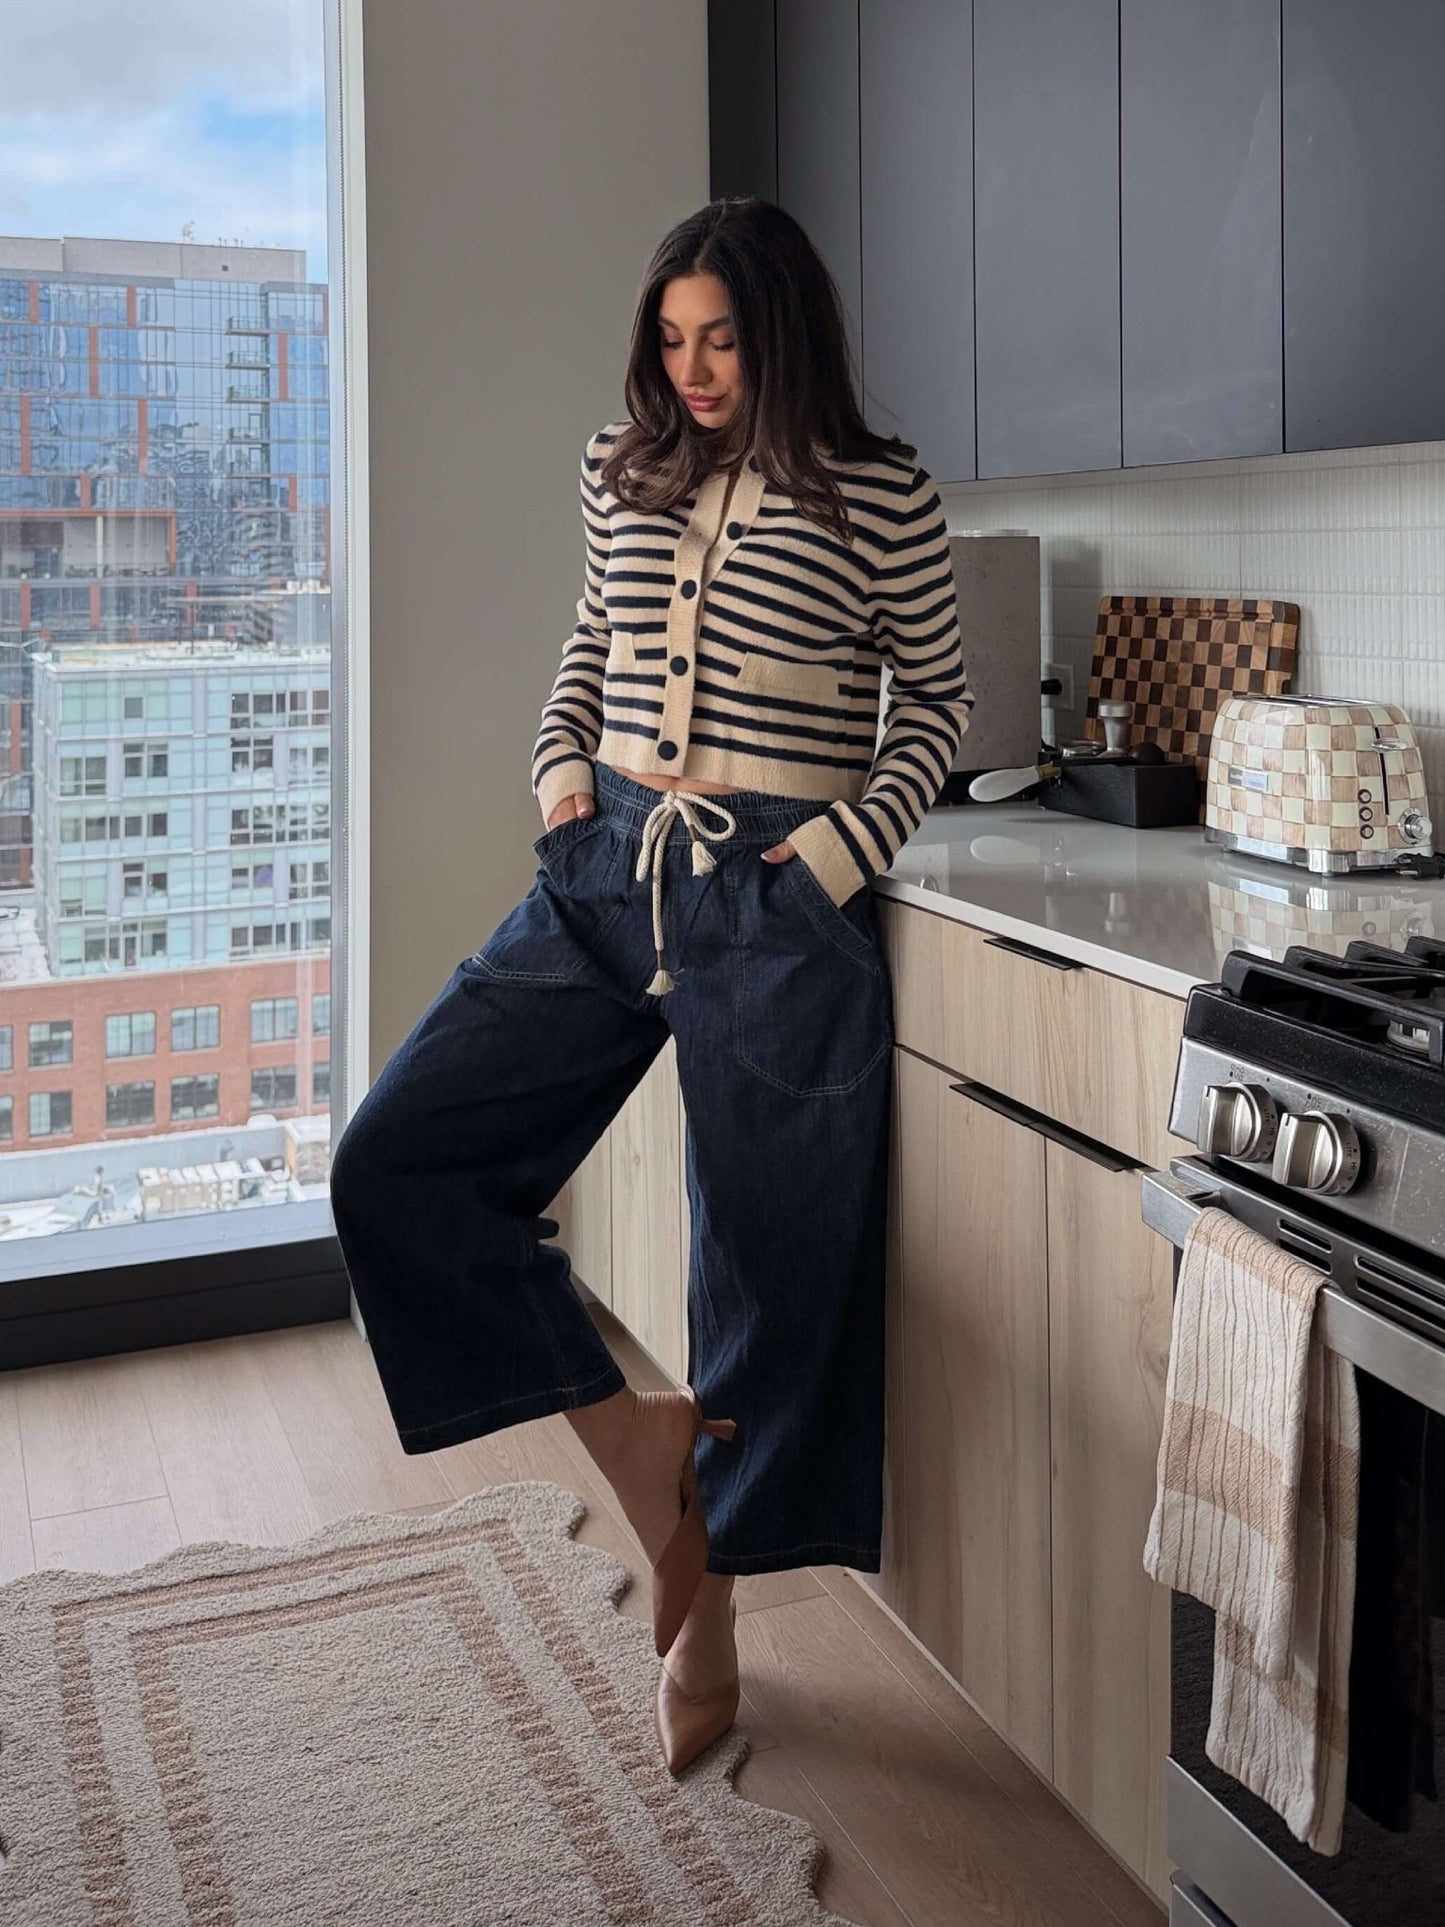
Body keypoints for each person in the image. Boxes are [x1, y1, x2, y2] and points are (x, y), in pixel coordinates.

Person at [329, 196, 973, 1776]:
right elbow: (590, 637)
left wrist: (827, 861)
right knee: (399, 1161)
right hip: (605, 861)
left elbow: (937, 706)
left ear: (781, 334)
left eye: (722, 340)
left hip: (773, 897)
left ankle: (709, 1624)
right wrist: (560, 771)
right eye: (673, 340)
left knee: (763, 1275)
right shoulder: (618, 468)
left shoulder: (880, 490)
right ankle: (638, 1444)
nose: (692, 369)